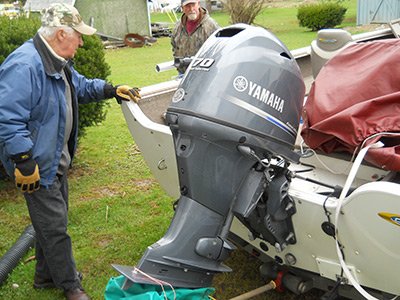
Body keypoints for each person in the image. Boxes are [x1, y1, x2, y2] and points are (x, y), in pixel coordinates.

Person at [0, 3, 141, 300]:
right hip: (36, 165)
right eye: (78, 36)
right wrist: (24, 161)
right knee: (55, 229)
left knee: (52, 222)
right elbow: (7, 118)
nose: (81, 41)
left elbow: (78, 86)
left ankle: (44, 277)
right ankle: (70, 286)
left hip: (54, 160)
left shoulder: (55, 61)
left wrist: (110, 89)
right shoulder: (24, 65)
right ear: (61, 33)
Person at [171, 0, 219, 74]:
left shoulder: (211, 26)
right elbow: (174, 46)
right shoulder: (178, 27)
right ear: (182, 8)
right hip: (183, 73)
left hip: (204, 73)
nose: (191, 9)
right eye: (187, 6)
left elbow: (219, 49)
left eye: (193, 5)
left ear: (198, 4)